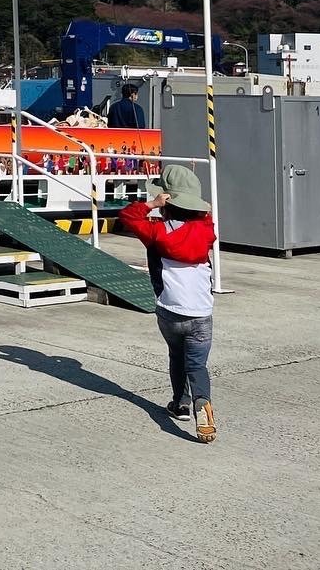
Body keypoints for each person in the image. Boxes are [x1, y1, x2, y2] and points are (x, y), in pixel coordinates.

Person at [116, 165, 218, 443]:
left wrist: (152, 203)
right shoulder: (205, 231)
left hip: (170, 309)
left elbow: (127, 216)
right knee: (196, 365)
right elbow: (206, 218)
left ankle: (180, 404)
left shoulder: (156, 232)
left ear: (167, 202)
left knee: (176, 355)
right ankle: (201, 402)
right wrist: (203, 210)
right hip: (201, 312)